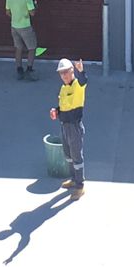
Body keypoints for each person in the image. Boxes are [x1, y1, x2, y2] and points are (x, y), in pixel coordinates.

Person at [50, 57, 88, 199]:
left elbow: (84, 81)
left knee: (77, 157)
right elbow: (64, 106)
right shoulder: (63, 88)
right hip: (64, 126)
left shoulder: (78, 85)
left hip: (74, 127)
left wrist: (81, 71)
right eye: (61, 73)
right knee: (69, 156)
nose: (64, 75)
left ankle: (80, 186)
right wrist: (56, 111)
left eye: (66, 71)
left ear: (72, 71)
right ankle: (73, 179)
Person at [6, 0, 39, 81]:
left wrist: (16, 17)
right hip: (25, 26)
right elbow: (32, 13)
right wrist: (35, 6)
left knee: (18, 48)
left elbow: (7, 12)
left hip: (14, 26)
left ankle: (19, 70)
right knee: (32, 48)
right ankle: (29, 70)